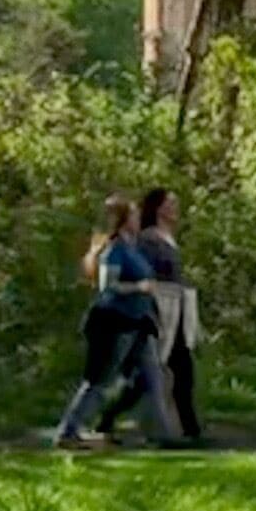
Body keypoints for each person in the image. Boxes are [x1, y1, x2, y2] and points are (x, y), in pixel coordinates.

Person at [53, 195, 180, 447]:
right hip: (114, 323)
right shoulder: (115, 250)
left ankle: (162, 436)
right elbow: (106, 286)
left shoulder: (132, 247)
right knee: (99, 381)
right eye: (133, 216)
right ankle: (68, 432)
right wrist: (140, 287)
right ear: (124, 221)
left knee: (153, 378)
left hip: (138, 323)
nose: (137, 219)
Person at [122, 184, 204, 445]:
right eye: (170, 203)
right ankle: (109, 417)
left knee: (183, 370)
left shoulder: (169, 237)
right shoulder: (148, 239)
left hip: (178, 309)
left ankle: (192, 430)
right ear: (158, 208)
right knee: (148, 375)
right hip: (160, 310)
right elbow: (146, 274)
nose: (175, 208)